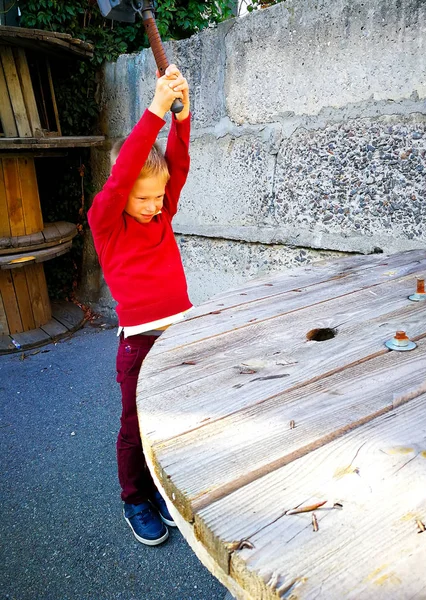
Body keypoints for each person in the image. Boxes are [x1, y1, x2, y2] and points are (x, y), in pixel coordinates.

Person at [87, 64, 192, 546]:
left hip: (180, 335)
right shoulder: (107, 225)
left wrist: (181, 120)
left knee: (169, 420)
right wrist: (154, 110)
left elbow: (178, 163)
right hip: (139, 345)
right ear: (121, 190)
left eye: (160, 195)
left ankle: (157, 488)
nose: (154, 204)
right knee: (134, 426)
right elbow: (126, 169)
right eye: (143, 196)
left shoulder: (162, 215)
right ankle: (134, 497)